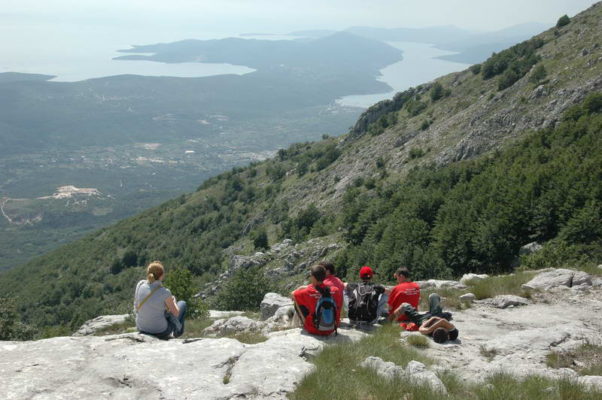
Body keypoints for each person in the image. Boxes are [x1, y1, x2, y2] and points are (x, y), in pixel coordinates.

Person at [134, 261, 187, 339]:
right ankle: (177, 332)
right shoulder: (165, 292)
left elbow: (136, 306)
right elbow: (176, 313)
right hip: (160, 331)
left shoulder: (140, 284)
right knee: (182, 303)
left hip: (142, 328)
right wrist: (174, 301)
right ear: (161, 275)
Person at [292, 264, 342, 336]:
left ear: (313, 277)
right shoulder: (335, 290)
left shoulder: (308, 291)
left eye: (310, 275)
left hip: (314, 329)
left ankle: (305, 323)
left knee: (296, 300)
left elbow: (293, 295)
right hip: (332, 328)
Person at [390, 292, 459, 343]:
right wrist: (433, 321)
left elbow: (421, 328)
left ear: (433, 333)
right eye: (442, 327)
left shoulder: (427, 331)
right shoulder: (453, 334)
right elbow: (442, 321)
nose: (438, 326)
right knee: (434, 296)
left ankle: (389, 319)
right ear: (447, 334)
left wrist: (429, 327)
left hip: (423, 320)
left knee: (405, 305)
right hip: (437, 316)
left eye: (436, 328)